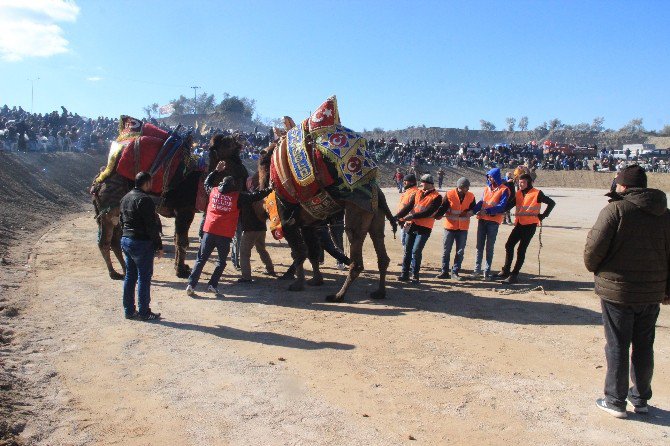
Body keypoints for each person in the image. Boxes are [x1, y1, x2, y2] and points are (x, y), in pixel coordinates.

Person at [584, 165, 670, 418]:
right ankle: (640, 399)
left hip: (618, 292)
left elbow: (593, 251)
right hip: (651, 293)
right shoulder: (665, 215)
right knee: (644, 346)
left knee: (617, 346)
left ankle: (615, 400)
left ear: (623, 186)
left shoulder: (616, 210)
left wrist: (598, 270)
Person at [186, 162, 271, 296]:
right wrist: (270, 189)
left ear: (220, 184)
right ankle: (212, 285)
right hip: (224, 235)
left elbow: (206, 182)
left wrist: (216, 171)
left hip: (209, 231)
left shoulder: (213, 191)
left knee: (201, 259)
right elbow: (255, 196)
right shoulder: (237, 196)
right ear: (232, 187)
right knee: (221, 262)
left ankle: (191, 284)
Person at [493, 173, 555, 284]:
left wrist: (543, 216)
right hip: (519, 224)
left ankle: (514, 275)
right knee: (509, 245)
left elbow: (551, 203)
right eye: (519, 182)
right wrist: (496, 210)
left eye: (522, 182)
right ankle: (506, 271)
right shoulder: (518, 193)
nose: (520, 184)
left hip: (530, 226)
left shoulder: (537, 193)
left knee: (521, 250)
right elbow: (509, 205)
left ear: (528, 182)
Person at [119, 171, 163, 321]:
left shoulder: (125, 198)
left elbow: (121, 220)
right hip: (141, 242)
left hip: (126, 239)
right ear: (147, 183)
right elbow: (151, 226)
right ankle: (144, 311)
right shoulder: (145, 200)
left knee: (130, 276)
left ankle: (129, 310)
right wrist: (158, 245)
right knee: (144, 277)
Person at [395, 174, 442, 283]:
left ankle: (415, 276)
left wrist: (413, 216)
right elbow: (409, 206)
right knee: (407, 250)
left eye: (423, 182)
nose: (421, 184)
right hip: (412, 225)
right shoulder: (418, 192)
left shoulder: (437, 197)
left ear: (429, 183)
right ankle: (404, 274)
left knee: (416, 251)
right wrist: (397, 216)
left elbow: (429, 212)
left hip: (424, 227)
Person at [471, 168, 510, 280]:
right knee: (479, 246)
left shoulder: (504, 190)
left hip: (493, 221)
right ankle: (477, 270)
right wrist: (472, 211)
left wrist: (487, 211)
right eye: (488, 176)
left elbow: (502, 206)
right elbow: (481, 202)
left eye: (491, 176)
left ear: (496, 177)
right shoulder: (487, 189)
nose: (489, 178)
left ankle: (486, 272)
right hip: (482, 220)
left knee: (489, 247)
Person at [434, 177, 476, 281]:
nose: (466, 190)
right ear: (459, 187)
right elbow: (442, 207)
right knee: (446, 250)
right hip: (450, 227)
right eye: (463, 187)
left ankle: (455, 272)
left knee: (460, 252)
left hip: (463, 228)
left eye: (467, 187)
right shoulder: (449, 194)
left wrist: (469, 212)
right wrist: (437, 215)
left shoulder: (471, 196)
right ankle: (444, 271)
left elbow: (473, 209)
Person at [238, 178, 275, 283]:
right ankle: (270, 268)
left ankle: (246, 277)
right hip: (261, 228)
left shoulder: (244, 197)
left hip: (250, 230)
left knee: (244, 252)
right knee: (261, 249)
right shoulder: (259, 196)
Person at [397, 174, 419, 249]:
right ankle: (408, 260)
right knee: (405, 243)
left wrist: (407, 221)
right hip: (404, 221)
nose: (404, 183)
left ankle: (410, 260)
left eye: (405, 181)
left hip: (409, 222)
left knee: (408, 245)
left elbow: (414, 209)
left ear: (411, 182)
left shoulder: (415, 192)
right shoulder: (407, 191)